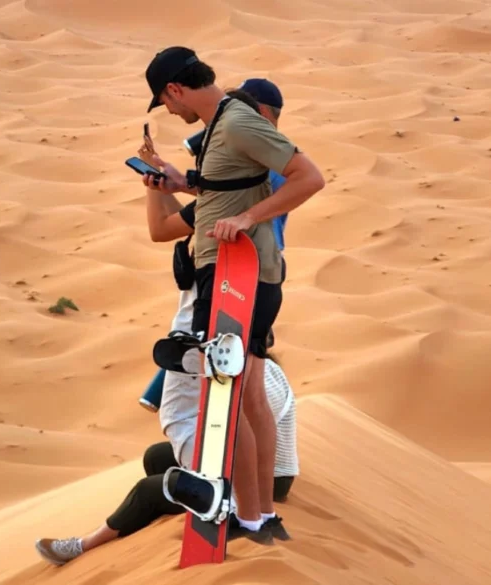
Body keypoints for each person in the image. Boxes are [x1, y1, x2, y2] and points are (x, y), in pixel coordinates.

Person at [142, 46, 325, 540]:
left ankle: (246, 516)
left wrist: (247, 219)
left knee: (224, 396)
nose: (171, 112)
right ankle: (261, 514)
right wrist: (182, 183)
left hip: (232, 278)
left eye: (165, 101)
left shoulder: (237, 121)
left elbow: (310, 177)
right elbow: (234, 187)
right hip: (239, 274)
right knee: (247, 398)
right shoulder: (224, 125)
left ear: (176, 89)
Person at [34, 353, 299, 566]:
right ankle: (153, 513)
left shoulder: (254, 385)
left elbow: (239, 435)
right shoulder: (261, 368)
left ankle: (85, 544)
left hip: (267, 479)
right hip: (262, 466)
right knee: (156, 456)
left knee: (149, 489)